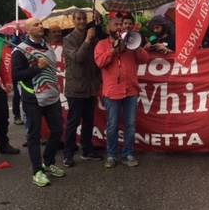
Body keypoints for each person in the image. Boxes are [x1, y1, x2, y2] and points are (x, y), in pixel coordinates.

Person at [12, 18, 66, 187]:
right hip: (32, 98)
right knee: (34, 136)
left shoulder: (46, 45)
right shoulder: (20, 51)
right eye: (36, 24)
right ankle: (37, 171)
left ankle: (48, 162)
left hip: (52, 96)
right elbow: (16, 76)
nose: (40, 26)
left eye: (40, 24)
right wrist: (36, 68)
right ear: (28, 30)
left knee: (57, 130)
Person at [94, 15, 149, 168]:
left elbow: (145, 59)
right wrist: (113, 50)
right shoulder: (101, 44)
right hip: (112, 92)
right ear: (108, 28)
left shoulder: (130, 44)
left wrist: (134, 46)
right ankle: (111, 155)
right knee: (112, 125)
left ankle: (128, 154)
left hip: (130, 90)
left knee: (130, 125)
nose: (119, 27)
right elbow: (99, 62)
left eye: (121, 24)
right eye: (115, 24)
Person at [62, 10, 103, 167]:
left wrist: (98, 26)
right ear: (73, 20)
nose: (81, 21)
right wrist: (87, 40)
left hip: (90, 87)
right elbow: (78, 58)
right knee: (73, 122)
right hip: (75, 88)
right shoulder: (68, 39)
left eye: (84, 18)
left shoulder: (93, 36)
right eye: (78, 19)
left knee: (88, 121)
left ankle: (87, 150)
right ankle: (68, 154)